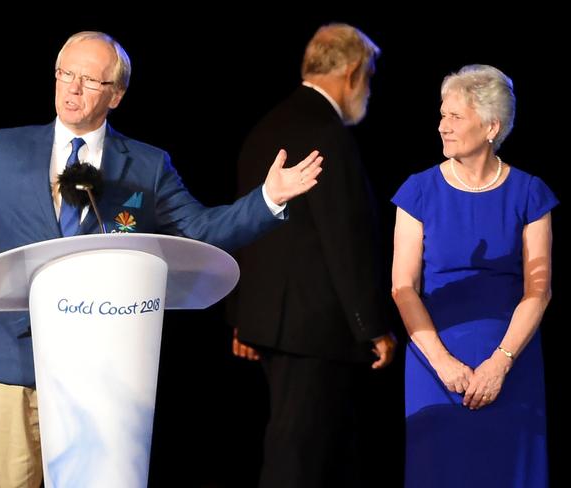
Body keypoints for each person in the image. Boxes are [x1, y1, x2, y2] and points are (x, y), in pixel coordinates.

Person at [0, 31, 323, 488]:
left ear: (116, 95)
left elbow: (202, 230)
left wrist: (269, 198)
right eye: (66, 74)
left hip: (103, 372)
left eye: (90, 80)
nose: (72, 88)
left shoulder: (148, 167)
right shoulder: (3, 150)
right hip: (11, 365)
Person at [228, 23, 396, 488]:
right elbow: (345, 239)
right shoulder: (326, 132)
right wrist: (372, 325)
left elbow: (243, 225)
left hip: (272, 323)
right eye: (371, 76)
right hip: (314, 329)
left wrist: (242, 314)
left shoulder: (266, 127)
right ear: (354, 72)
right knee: (297, 458)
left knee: (323, 453)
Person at [391, 64, 558, 487]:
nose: (442, 126)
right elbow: (403, 287)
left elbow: (538, 290)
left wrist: (499, 364)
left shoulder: (529, 192)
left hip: (510, 360)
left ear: (490, 127)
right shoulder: (419, 190)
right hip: (435, 360)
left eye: (455, 117)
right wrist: (444, 363)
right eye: (442, 114)